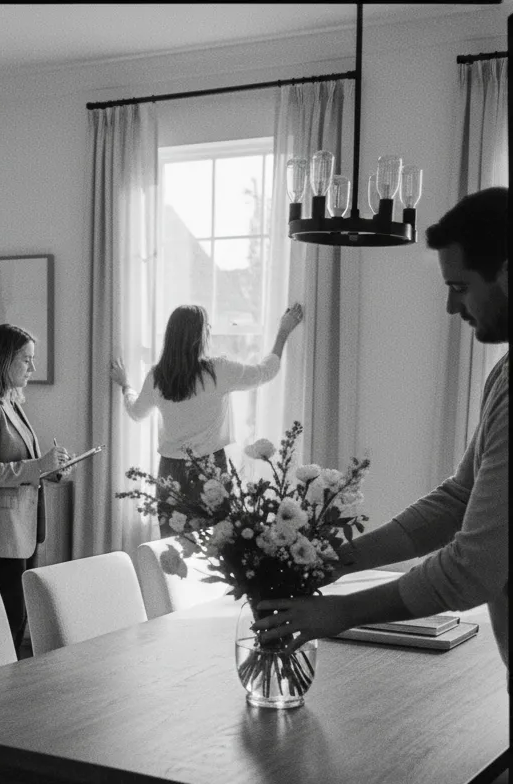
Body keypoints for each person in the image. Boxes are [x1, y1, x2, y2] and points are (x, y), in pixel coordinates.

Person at [252, 186, 508, 673]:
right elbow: (459, 501)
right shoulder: (504, 373)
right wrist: (331, 562)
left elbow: (473, 570)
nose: (453, 309)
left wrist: (339, 612)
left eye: (460, 286)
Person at [110, 301, 305, 536]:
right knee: (215, 546)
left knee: (172, 548)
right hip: (210, 469)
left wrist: (125, 385)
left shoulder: (158, 376)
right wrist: (282, 332)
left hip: (170, 471)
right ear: (199, 337)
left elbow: (136, 412)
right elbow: (265, 372)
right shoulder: (217, 371)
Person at [0, 323, 69, 651]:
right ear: (4, 360)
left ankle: (12, 691)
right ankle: (0, 690)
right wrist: (39, 466)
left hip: (21, 530)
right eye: (26, 360)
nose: (33, 368)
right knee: (9, 620)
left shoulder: (11, 403)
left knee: (19, 620)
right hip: (0, 533)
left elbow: (25, 465)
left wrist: (52, 469)